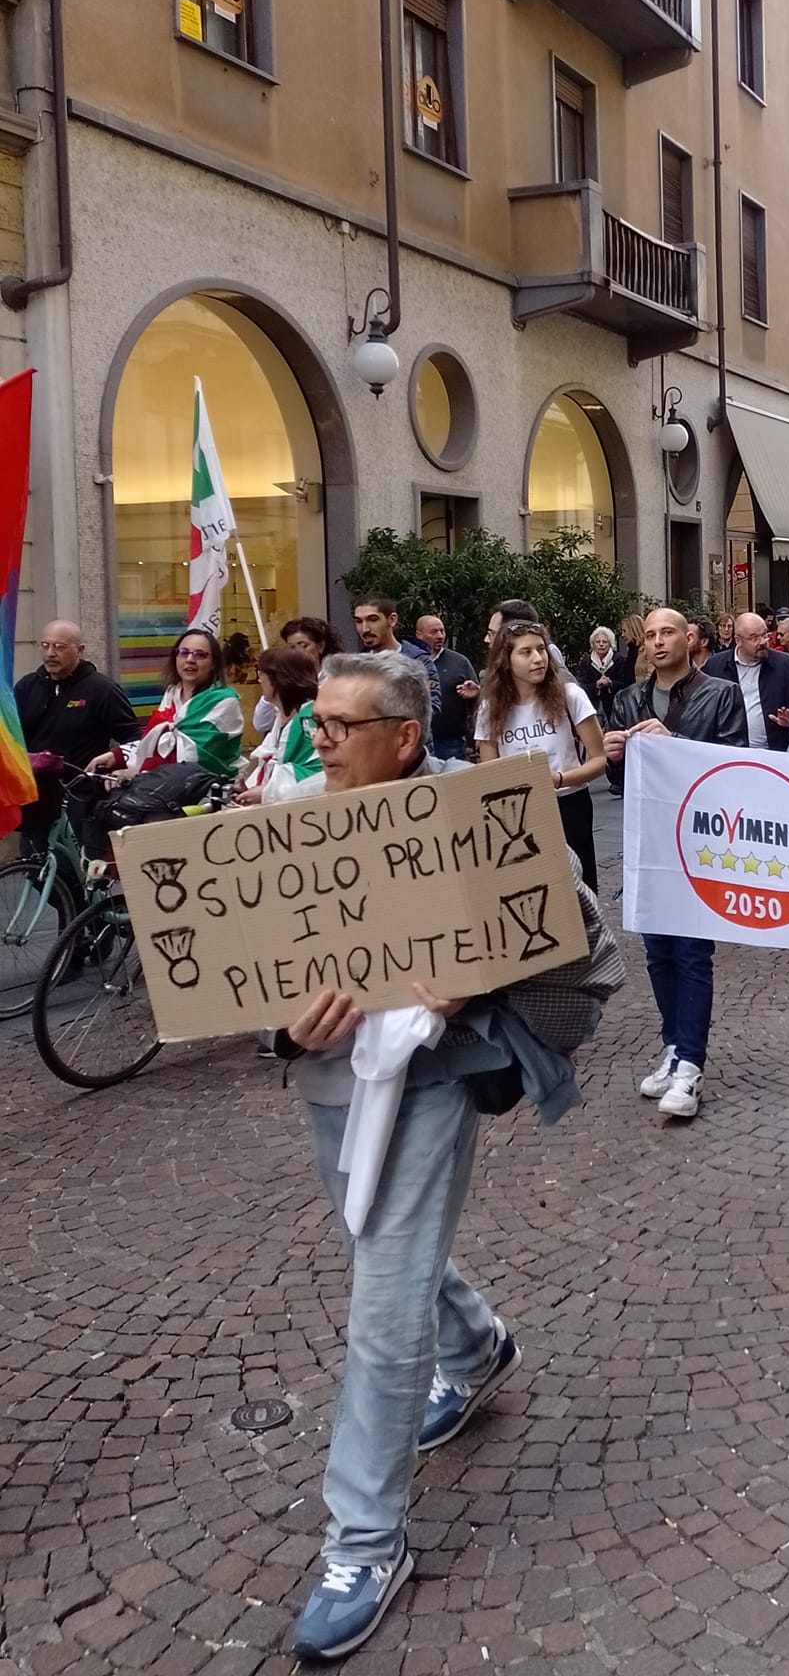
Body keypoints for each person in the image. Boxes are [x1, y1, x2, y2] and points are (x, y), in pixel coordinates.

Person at [271, 651, 616, 1660]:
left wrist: (480, 974)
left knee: (382, 1291)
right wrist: (288, 1033)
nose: (318, 735)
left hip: (428, 1079)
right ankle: (476, 1347)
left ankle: (366, 1541)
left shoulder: (474, 815)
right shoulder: (285, 815)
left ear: (405, 736)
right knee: (379, 1234)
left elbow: (579, 927)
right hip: (330, 1080)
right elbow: (245, 978)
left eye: (339, 723)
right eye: (315, 719)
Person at [603, 609, 748, 1118]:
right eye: (651, 635)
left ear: (689, 639)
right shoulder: (626, 700)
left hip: (700, 842)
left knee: (691, 953)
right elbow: (618, 787)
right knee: (658, 953)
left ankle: (691, 1063)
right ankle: (672, 1046)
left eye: (668, 633)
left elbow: (735, 764)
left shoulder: (720, 693)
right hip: (649, 841)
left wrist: (676, 743)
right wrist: (613, 756)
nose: (659, 642)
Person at [476, 620, 605, 890]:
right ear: (506, 661)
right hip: (519, 813)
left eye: (541, 649)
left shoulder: (570, 695)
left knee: (578, 889)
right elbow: (487, 774)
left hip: (569, 805)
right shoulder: (491, 708)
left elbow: (599, 759)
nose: (538, 659)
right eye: (526, 652)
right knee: (532, 892)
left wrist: (559, 779)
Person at [17, 620, 140, 847]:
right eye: (45, 645)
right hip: (34, 796)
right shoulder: (27, 687)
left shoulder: (102, 690)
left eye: (60, 647)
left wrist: (121, 767)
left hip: (79, 798)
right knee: (33, 869)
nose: (50, 653)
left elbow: (133, 738)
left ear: (80, 650)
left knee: (73, 873)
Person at [89, 626, 245, 778]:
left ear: (213, 664)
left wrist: (140, 772)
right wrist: (117, 756)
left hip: (208, 793)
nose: (190, 659)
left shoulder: (224, 701)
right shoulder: (172, 694)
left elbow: (194, 757)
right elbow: (156, 742)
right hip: (165, 791)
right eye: (183, 653)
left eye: (200, 655)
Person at [235, 644, 320, 804]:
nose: (259, 680)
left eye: (262, 674)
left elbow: (319, 774)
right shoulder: (282, 716)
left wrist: (268, 792)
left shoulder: (311, 720)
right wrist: (251, 788)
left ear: (278, 679)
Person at [703, 610, 789, 750]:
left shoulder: (787, 665)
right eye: (754, 638)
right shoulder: (715, 667)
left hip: (775, 753)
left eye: (765, 635)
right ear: (738, 640)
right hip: (729, 752)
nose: (763, 642)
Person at [353, 592, 441, 717]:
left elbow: (431, 708)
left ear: (392, 620)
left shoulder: (418, 661)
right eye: (359, 621)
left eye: (373, 619)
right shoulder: (356, 665)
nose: (365, 629)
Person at [415, 613, 479, 760]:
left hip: (451, 743)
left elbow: (479, 701)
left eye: (442, 631)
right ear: (419, 634)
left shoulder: (459, 662)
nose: (440, 636)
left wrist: (475, 693)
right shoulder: (410, 662)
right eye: (433, 632)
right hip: (419, 743)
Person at [576, 625, 620, 727]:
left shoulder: (619, 660)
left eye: (604, 642)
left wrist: (610, 683)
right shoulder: (586, 662)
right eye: (598, 642)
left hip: (615, 707)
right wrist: (596, 686)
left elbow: (626, 683)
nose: (601, 645)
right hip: (593, 708)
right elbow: (581, 686)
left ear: (610, 644)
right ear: (593, 644)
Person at [614, 613, 643, 692]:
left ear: (633, 630)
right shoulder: (631, 650)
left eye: (624, 631)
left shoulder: (645, 650)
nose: (622, 635)